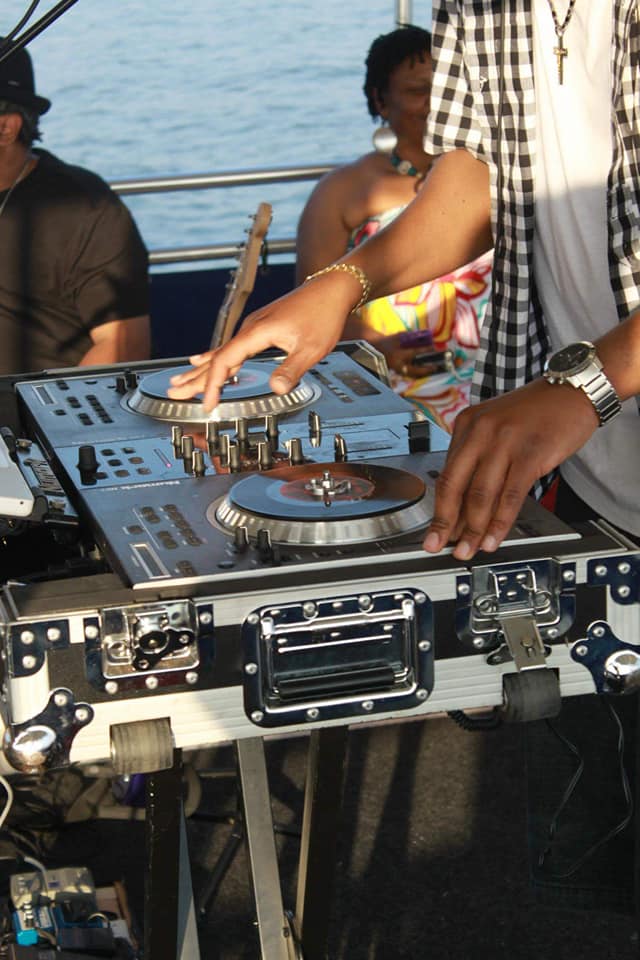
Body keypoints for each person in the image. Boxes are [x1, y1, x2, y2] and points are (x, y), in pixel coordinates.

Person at [168, 0, 640, 918]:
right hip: (598, 482)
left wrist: (583, 386)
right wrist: (340, 285)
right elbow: (476, 182)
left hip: (583, 407)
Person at [295, 25, 492, 432]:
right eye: (419, 91)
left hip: (498, 380)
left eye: (446, 89)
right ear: (380, 100)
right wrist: (379, 349)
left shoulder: (495, 180)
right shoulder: (342, 192)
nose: (435, 103)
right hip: (389, 385)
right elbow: (311, 303)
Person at [0, 41, 150, 375]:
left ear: (6, 128)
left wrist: (46, 404)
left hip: (33, 399)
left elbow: (124, 345)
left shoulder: (83, 207)